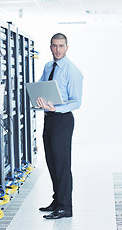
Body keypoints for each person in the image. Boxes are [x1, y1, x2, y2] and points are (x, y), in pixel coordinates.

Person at [36, 33, 83, 219]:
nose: (57, 50)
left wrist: (56, 107)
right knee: (52, 163)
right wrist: (39, 100)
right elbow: (41, 87)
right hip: (49, 119)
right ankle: (57, 200)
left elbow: (76, 102)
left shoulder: (72, 71)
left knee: (62, 164)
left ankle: (65, 207)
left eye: (61, 46)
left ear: (67, 47)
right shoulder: (48, 66)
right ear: (50, 47)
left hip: (63, 120)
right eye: (54, 46)